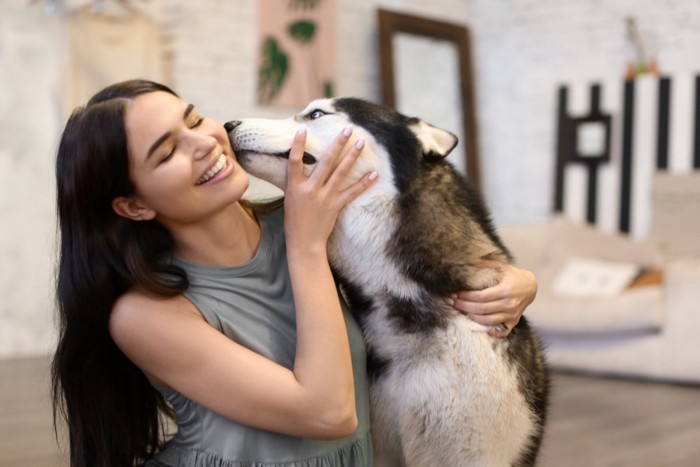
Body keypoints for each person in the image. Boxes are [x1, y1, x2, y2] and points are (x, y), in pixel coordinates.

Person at [51, 79, 537, 467]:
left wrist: (515, 283)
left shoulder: (314, 220)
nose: (203, 143)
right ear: (134, 205)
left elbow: (424, 260)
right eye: (166, 152)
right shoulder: (144, 315)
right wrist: (304, 246)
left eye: (195, 119)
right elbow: (327, 414)